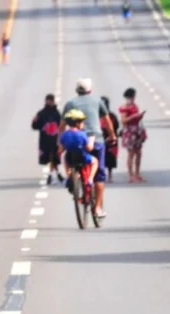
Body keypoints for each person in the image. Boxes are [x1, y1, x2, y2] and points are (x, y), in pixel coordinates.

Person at [63, 78, 116, 217]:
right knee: (99, 176)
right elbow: (108, 121)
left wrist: (60, 144)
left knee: (71, 160)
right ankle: (97, 208)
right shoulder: (98, 101)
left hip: (75, 143)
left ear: (77, 91)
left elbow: (61, 126)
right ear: (90, 90)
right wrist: (113, 136)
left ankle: (73, 177)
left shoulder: (70, 103)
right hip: (96, 141)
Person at [59, 109, 98, 187]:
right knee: (95, 161)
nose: (83, 124)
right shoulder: (82, 134)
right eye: (82, 122)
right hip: (82, 158)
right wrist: (92, 140)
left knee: (64, 158)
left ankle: (69, 176)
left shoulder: (64, 135)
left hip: (69, 158)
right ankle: (90, 179)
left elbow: (60, 150)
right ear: (77, 123)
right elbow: (89, 148)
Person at [33, 94, 63, 184]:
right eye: (48, 100)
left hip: (55, 139)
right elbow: (35, 126)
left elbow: (61, 125)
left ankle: (54, 174)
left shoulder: (57, 113)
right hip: (45, 139)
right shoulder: (41, 113)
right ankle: (55, 174)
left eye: (51, 101)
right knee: (50, 158)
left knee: (54, 158)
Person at [119, 87, 147, 183]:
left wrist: (139, 117)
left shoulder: (134, 106)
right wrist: (133, 116)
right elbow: (123, 121)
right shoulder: (125, 107)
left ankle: (137, 173)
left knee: (138, 153)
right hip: (129, 131)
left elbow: (136, 119)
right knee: (131, 154)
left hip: (136, 130)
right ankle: (131, 175)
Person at [101, 96, 120, 183]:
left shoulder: (112, 116)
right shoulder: (97, 116)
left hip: (110, 139)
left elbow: (116, 126)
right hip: (100, 138)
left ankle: (110, 175)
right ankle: (103, 174)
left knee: (110, 158)